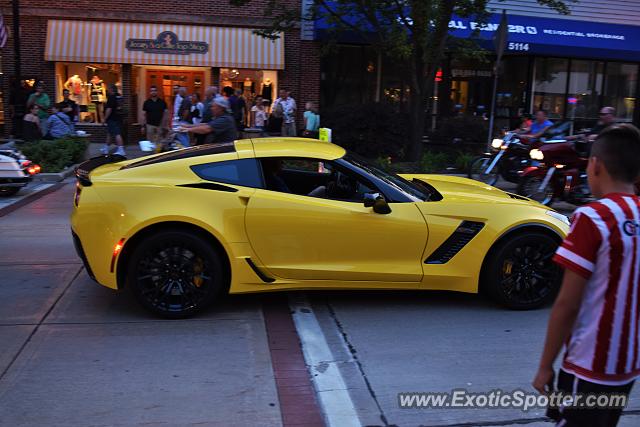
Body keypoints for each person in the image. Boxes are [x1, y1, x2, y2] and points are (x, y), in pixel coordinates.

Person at [533, 124, 640, 427]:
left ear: (595, 165)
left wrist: (544, 367)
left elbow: (567, 303)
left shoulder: (591, 218)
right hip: (628, 365)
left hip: (589, 364)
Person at [101, 84, 125, 156]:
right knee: (110, 133)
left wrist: (104, 119)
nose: (107, 91)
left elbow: (109, 109)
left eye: (108, 89)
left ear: (111, 89)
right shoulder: (119, 96)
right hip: (119, 118)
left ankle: (121, 150)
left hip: (112, 119)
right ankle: (106, 148)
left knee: (117, 134)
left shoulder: (111, 97)